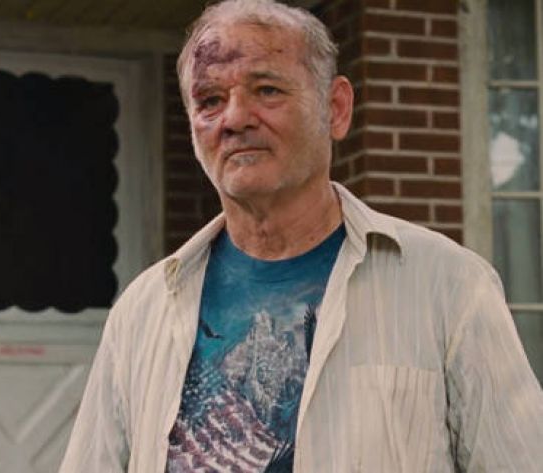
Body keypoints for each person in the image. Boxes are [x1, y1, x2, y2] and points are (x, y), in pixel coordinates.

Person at [59, 0, 543, 471]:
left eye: (267, 90)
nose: (235, 118)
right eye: (210, 100)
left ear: (336, 108)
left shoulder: (449, 286)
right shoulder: (141, 312)